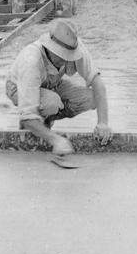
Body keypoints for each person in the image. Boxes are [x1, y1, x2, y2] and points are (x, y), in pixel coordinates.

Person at [6, 20, 113, 157]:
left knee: (92, 98)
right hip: (18, 87)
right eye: (62, 56)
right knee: (51, 102)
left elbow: (97, 82)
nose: (68, 60)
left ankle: (44, 122)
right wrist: (56, 140)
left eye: (69, 57)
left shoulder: (72, 44)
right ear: (50, 48)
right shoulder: (31, 61)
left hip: (52, 83)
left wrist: (103, 123)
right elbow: (28, 116)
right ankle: (36, 127)